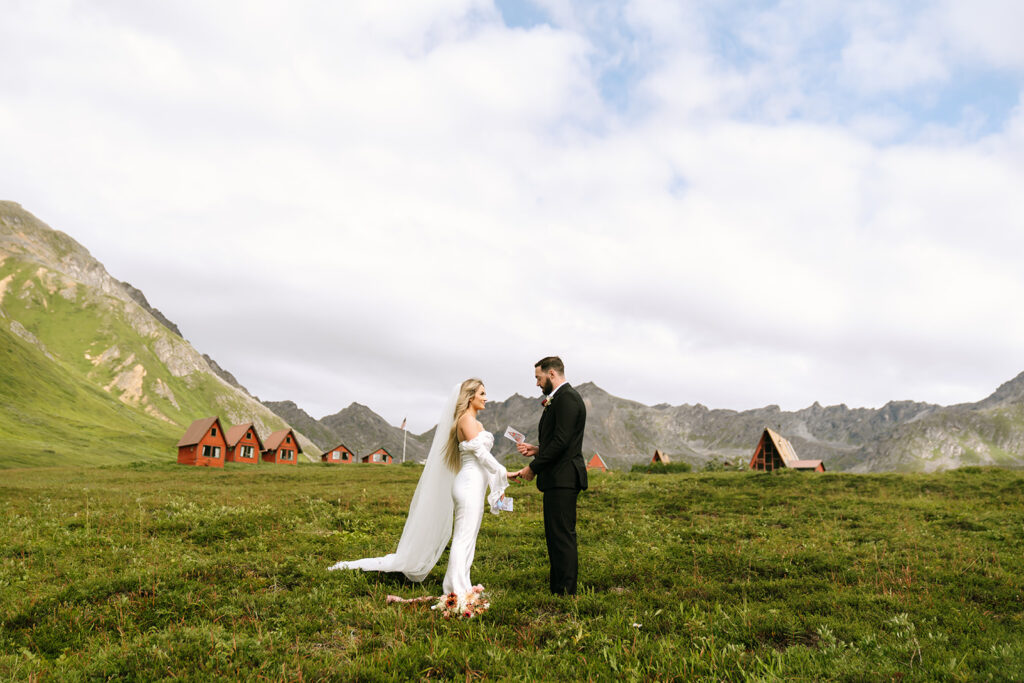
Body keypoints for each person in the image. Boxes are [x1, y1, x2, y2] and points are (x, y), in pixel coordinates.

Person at [328, 379, 515, 605]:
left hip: (476, 485)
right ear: (470, 396)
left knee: (470, 537)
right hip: (467, 485)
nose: (486, 398)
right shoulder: (465, 420)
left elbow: (484, 460)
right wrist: (506, 472)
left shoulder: (477, 423)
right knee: (462, 537)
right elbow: (482, 456)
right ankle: (454, 588)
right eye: (482, 393)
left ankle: (464, 583)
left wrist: (499, 479)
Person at [514, 356, 588, 595]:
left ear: (552, 374)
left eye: (539, 377)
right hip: (557, 477)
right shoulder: (560, 399)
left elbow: (561, 442)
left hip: (564, 478)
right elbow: (559, 441)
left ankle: (566, 592)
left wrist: (533, 467)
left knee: (562, 537)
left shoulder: (567, 399)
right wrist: (537, 449)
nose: (537, 383)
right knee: (555, 536)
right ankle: (558, 589)